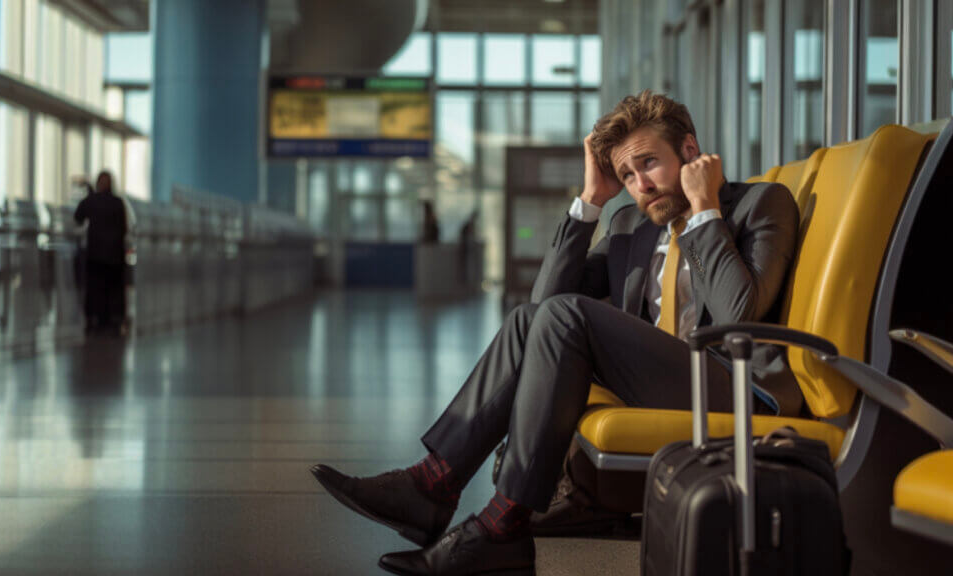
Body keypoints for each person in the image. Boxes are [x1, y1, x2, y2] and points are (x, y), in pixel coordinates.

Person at [310, 91, 801, 575]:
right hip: (662, 380)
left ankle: (498, 522)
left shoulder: (759, 204)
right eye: (627, 175)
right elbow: (542, 306)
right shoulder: (631, 224)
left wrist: (702, 208)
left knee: (569, 316)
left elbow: (741, 313)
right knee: (532, 319)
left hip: (736, 387)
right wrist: (591, 201)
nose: (640, 185)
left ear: (690, 152)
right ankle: (436, 482)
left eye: (649, 163)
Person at [74, 172, 128, 336]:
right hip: (115, 256)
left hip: (95, 255)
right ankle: (114, 322)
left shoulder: (91, 201)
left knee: (95, 289)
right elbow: (124, 227)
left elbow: (78, 217)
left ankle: (94, 321)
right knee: (114, 290)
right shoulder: (118, 203)